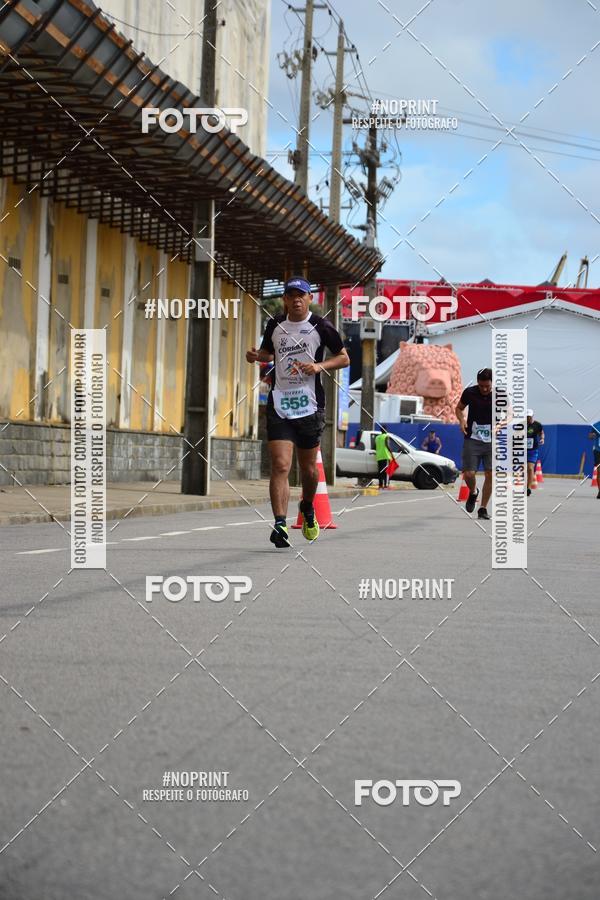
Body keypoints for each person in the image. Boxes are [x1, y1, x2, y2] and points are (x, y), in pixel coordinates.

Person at [246, 276, 349, 547]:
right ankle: (280, 524)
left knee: (308, 470)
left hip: (310, 405)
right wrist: (257, 356)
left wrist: (318, 367)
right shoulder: (275, 324)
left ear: (310, 299)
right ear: (285, 299)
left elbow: (344, 357)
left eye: (301, 295)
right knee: (280, 465)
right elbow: (269, 353)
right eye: (291, 295)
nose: (296, 299)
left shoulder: (321, 326)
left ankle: (306, 505)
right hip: (280, 402)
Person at [455, 368, 493, 520]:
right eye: (481, 385)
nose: (484, 389)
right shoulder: (470, 392)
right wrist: (462, 420)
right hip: (472, 438)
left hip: (492, 440)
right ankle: (473, 492)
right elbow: (458, 408)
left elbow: (510, 412)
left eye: (487, 386)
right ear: (478, 382)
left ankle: (482, 508)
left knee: (490, 474)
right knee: (469, 474)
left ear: (492, 383)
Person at [526, 409, 544, 496]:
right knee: (522, 469)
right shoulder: (521, 424)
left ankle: (528, 488)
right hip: (521, 450)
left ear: (532, 416)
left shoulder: (537, 425)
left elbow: (541, 433)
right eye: (526, 417)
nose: (528, 419)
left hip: (532, 450)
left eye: (529, 417)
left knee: (530, 468)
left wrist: (542, 438)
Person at [588, 418, 600, 498]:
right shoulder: (596, 425)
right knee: (599, 471)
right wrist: (592, 435)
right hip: (598, 450)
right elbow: (590, 436)